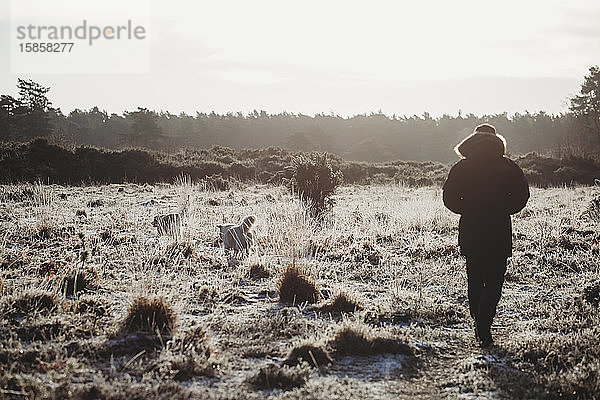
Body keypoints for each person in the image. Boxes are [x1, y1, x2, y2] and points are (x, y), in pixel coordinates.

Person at [443, 123, 529, 347]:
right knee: (494, 280)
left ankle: (478, 322)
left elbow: (449, 199)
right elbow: (522, 195)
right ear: (497, 141)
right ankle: (484, 323)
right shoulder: (509, 167)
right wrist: (503, 208)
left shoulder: (461, 167)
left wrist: (467, 208)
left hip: (471, 228)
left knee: (474, 277)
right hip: (499, 229)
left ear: (472, 140)